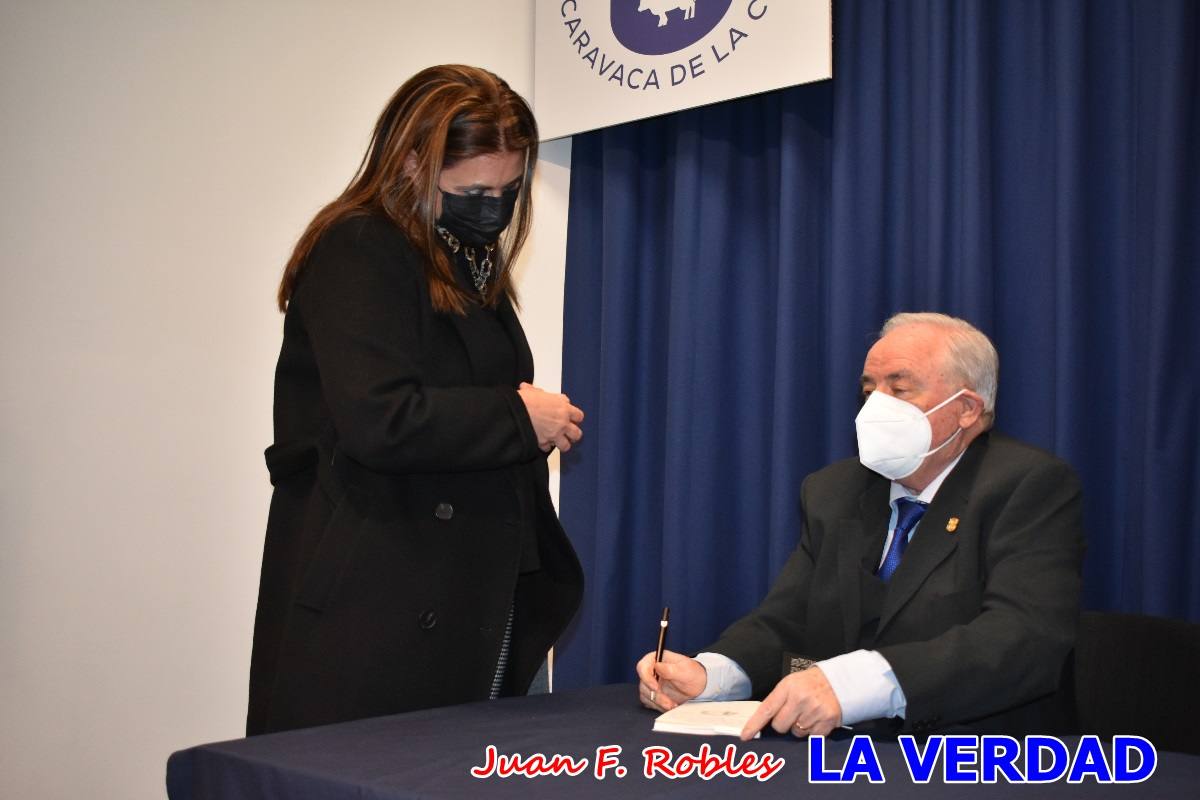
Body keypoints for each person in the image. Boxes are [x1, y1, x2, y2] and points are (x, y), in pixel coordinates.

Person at [247, 65, 585, 735]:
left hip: (455, 593)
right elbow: (380, 417)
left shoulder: (463, 262)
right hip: (378, 604)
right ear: (409, 161)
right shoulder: (361, 246)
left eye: (509, 190)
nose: (493, 207)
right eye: (472, 191)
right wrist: (520, 416)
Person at [637, 312, 1084, 739]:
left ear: (966, 409)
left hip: (978, 755)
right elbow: (786, 620)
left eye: (900, 388)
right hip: (838, 754)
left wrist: (857, 684)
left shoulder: (1027, 485)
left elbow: (1023, 638)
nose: (875, 406)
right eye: (869, 389)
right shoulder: (834, 490)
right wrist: (713, 675)